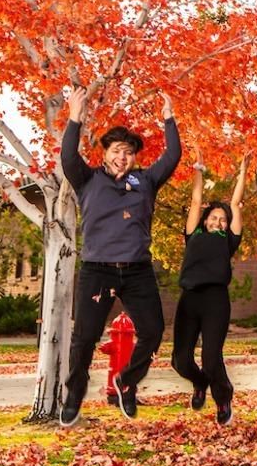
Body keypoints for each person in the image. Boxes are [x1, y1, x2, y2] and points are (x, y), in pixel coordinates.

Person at [58, 86, 181, 427]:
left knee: (153, 331)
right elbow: (68, 157)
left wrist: (169, 120)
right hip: (98, 270)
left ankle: (126, 381)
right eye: (116, 151)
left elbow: (172, 157)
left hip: (137, 270)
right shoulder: (88, 180)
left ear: (135, 157)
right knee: (84, 337)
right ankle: (74, 394)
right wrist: (75, 118)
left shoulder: (146, 181)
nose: (122, 157)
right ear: (106, 154)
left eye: (128, 152)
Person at [171, 152, 248, 427]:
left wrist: (242, 171)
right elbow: (195, 200)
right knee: (180, 360)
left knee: (211, 357)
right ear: (205, 221)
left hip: (216, 300)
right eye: (214, 217)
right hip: (189, 298)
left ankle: (223, 397)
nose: (218, 221)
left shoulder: (228, 241)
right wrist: (199, 168)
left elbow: (236, 203)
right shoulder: (194, 234)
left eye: (223, 219)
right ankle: (200, 382)